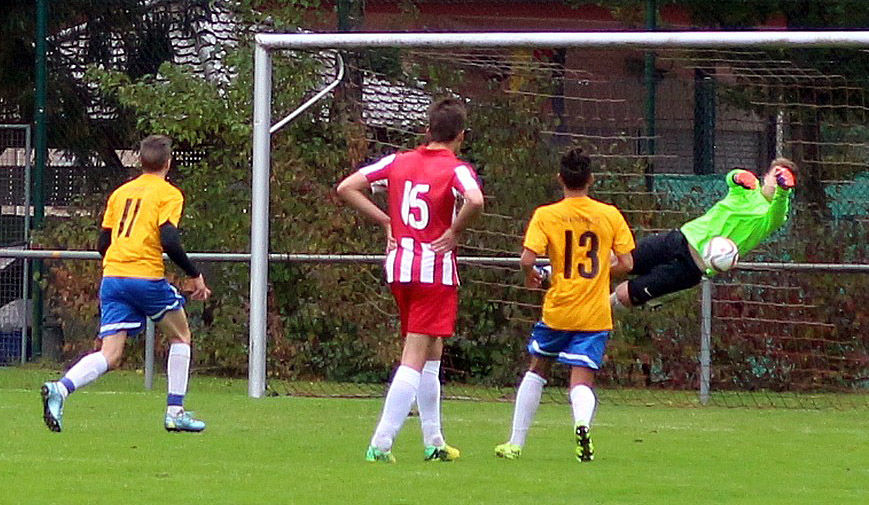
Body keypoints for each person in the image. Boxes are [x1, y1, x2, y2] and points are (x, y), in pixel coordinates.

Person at [336, 98, 484, 463]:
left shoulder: (398, 161)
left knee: (432, 353)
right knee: (415, 357)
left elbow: (346, 187)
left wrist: (386, 220)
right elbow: (476, 200)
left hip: (400, 267)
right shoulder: (456, 168)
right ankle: (381, 443)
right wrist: (453, 230)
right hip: (432, 270)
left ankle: (434, 441)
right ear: (460, 136)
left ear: (428, 130)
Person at [41, 134, 211, 433]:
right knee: (181, 336)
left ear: (141, 161)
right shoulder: (168, 193)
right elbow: (169, 239)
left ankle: (61, 389)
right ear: (167, 163)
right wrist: (194, 274)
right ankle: (175, 411)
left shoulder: (120, 194)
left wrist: (121, 263)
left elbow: (103, 242)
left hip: (113, 278)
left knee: (111, 353)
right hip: (144, 276)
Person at [495, 147, 635, 462]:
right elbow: (626, 262)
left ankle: (515, 444)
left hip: (558, 308)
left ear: (560, 179)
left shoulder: (547, 214)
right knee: (582, 377)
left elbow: (527, 258)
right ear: (591, 179)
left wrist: (532, 274)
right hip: (594, 312)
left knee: (538, 368)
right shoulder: (609, 214)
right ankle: (582, 424)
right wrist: (601, 271)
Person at [611, 158, 797, 310]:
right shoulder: (748, 190)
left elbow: (779, 209)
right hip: (679, 239)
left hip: (691, 267)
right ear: (766, 176)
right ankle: (583, 284)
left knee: (625, 295)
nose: (777, 181)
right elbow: (731, 179)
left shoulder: (772, 216)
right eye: (776, 175)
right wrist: (739, 175)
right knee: (618, 261)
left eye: (783, 178)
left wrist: (783, 191)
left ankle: (594, 316)